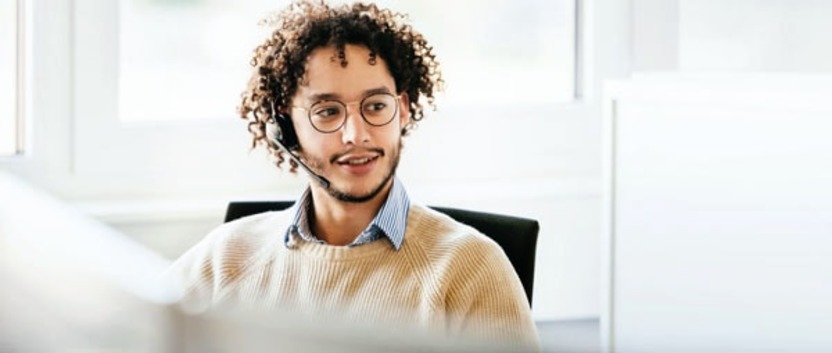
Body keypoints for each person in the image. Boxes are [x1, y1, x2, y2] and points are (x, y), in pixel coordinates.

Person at [167, 1, 540, 351]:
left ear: (404, 110)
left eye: (376, 106)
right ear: (287, 126)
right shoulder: (226, 258)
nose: (356, 134)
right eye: (327, 112)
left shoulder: (471, 269)